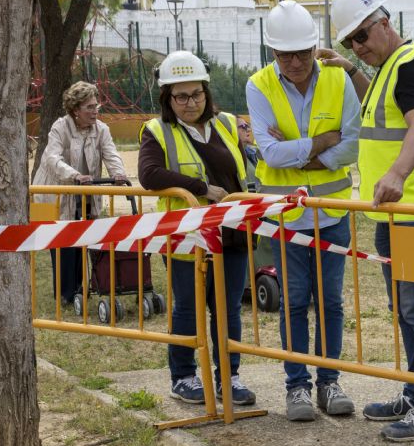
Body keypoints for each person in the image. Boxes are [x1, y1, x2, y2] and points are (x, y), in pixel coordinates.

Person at [330, 0, 414, 442]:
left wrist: (397, 174)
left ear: (383, 23)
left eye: (361, 37)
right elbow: (385, 110)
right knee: (406, 311)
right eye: (350, 42)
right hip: (398, 215)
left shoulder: (410, 66)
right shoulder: (391, 68)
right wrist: (351, 68)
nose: (358, 47)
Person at [247, 0, 363, 423]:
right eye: (285, 55)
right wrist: (321, 142)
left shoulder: (337, 78)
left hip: (332, 213)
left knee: (330, 302)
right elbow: (270, 153)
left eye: (302, 53)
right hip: (286, 218)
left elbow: (354, 142)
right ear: (272, 52)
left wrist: (306, 156)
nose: (295, 63)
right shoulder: (259, 85)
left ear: (315, 47)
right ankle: (296, 386)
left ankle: (329, 382)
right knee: (294, 302)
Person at [137, 51, 255, 407]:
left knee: (228, 309)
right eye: (181, 96)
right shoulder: (157, 131)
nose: (191, 103)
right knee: (187, 308)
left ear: (206, 91)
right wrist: (201, 189)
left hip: (231, 231)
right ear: (167, 98)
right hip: (187, 236)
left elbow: (242, 168)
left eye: (197, 94)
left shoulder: (227, 124)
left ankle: (229, 377)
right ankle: (184, 377)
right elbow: (149, 175)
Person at [34, 81, 129, 307]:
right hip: (54, 193)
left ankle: (82, 288)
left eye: (96, 106)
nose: (95, 111)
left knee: (84, 236)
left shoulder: (101, 129)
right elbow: (52, 158)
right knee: (61, 241)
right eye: (89, 107)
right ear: (76, 109)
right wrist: (74, 175)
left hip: (85, 191)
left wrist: (118, 174)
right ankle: (66, 293)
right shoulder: (60, 127)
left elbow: (111, 154)